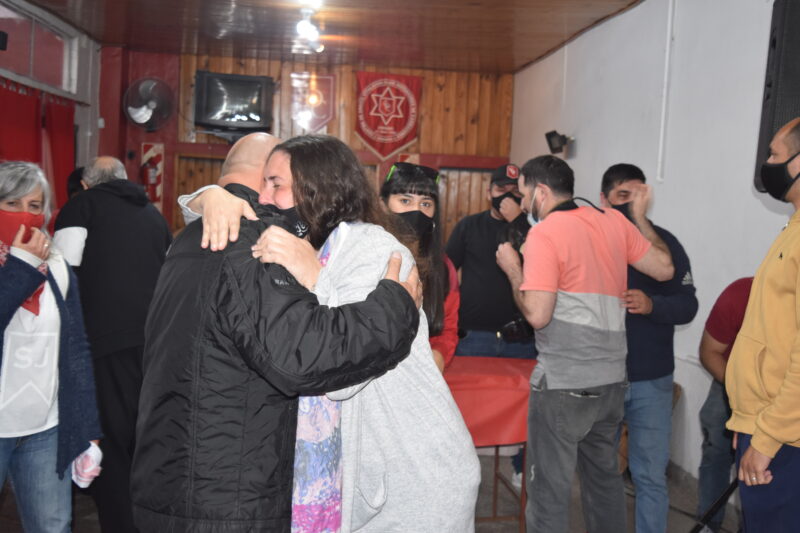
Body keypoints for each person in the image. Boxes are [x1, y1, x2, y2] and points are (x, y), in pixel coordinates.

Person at [131, 136, 423, 533]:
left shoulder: (187, 238)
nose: (270, 195)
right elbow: (303, 355)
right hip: (227, 497)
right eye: (270, 180)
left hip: (164, 482)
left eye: (278, 182)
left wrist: (204, 197)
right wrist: (394, 308)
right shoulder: (253, 240)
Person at [250, 135, 479, 532]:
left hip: (417, 478)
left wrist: (315, 276)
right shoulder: (323, 246)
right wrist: (209, 200)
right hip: (381, 479)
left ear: (317, 189)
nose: (263, 196)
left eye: (276, 184)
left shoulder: (374, 250)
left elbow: (339, 372)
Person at [495, 155, 674, 533]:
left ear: (542, 193)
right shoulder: (614, 222)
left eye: (524, 195)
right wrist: (639, 218)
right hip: (611, 383)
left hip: (565, 384)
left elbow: (537, 315)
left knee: (548, 491)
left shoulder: (545, 233)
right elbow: (664, 267)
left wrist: (513, 268)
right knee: (604, 484)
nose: (523, 205)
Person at [52, 156, 172, 533]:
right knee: (143, 443)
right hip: (154, 345)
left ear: (86, 185)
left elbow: (60, 275)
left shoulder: (81, 207)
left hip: (100, 344)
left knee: (108, 445)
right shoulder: (154, 215)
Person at [0, 161, 102, 532]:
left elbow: (76, 348)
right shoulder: (28, 263)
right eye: (12, 204)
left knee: (53, 526)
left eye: (34, 205)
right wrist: (22, 266)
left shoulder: (57, 264)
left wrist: (88, 428)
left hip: (45, 427)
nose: (25, 214)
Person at [599, 163, 698, 533]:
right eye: (623, 196)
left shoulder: (664, 244)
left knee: (650, 475)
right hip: (601, 378)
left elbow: (688, 306)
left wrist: (653, 305)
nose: (631, 203)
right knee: (599, 473)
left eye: (639, 196)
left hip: (651, 380)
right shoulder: (592, 241)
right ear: (604, 199)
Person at [725, 117, 800, 532]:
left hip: (785, 440)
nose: (767, 164)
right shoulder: (793, 228)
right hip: (768, 426)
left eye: (774, 155)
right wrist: (748, 419)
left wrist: (767, 437)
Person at [445, 164, 535, 358]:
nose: (507, 197)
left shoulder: (534, 230)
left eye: (515, 192)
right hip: (474, 333)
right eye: (501, 190)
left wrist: (518, 221)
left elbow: (539, 265)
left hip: (520, 336)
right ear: (489, 193)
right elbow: (446, 272)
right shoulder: (469, 226)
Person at [379, 162, 460, 371]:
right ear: (383, 204)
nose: (416, 211)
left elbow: (448, 330)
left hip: (422, 373)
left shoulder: (443, 267)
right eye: (405, 201)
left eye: (426, 204)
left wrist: (438, 356)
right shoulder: (363, 256)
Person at [696, 277, 752, 532]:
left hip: (784, 397)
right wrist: (742, 394)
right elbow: (709, 352)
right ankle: (708, 523)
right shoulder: (741, 294)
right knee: (717, 453)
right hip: (730, 384)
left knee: (764, 471)